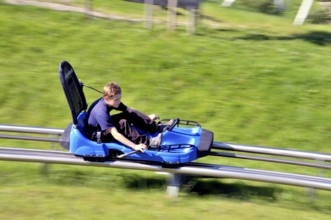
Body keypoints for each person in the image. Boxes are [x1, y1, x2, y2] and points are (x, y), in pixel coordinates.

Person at [85, 81, 169, 153]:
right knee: (123, 123)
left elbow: (130, 110)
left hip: (101, 125)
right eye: (116, 100)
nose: (119, 102)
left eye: (120, 98)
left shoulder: (111, 101)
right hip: (97, 135)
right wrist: (135, 146)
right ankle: (150, 143)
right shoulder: (101, 112)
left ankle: (155, 128)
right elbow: (115, 134)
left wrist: (148, 117)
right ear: (107, 99)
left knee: (129, 114)